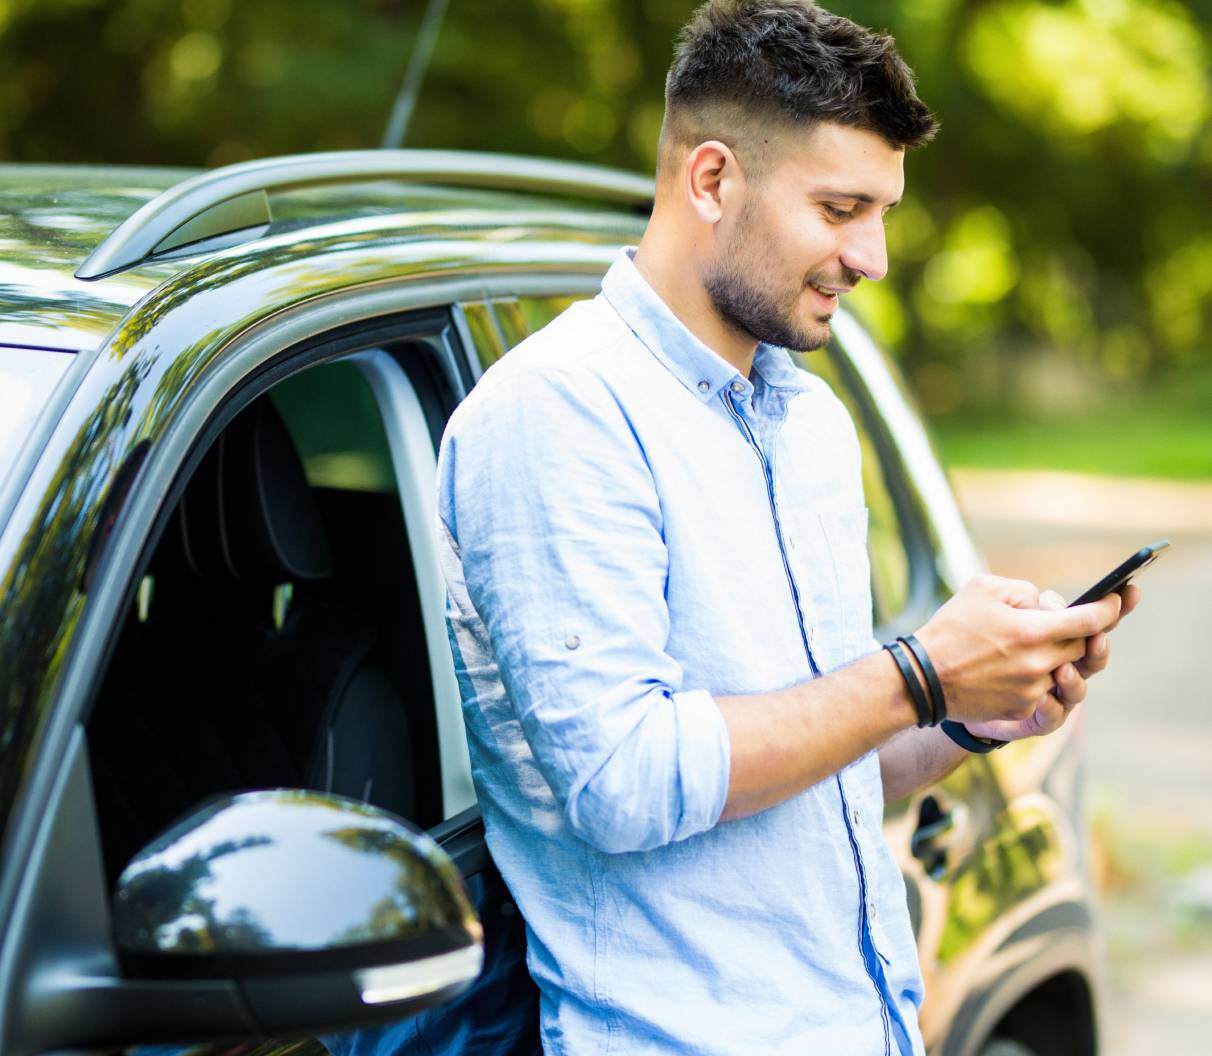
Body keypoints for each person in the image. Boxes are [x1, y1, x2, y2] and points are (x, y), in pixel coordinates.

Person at [434, 2, 1138, 1053]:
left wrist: (964, 717)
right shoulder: (559, 413)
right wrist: (920, 673)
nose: (875, 257)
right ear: (712, 180)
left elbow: (822, 761)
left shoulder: (807, 421)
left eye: (883, 211)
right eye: (842, 207)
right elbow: (620, 781)